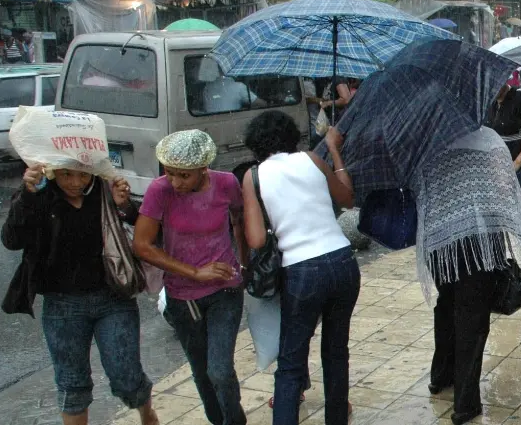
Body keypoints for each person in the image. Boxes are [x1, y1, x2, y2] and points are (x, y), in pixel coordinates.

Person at [1, 164, 157, 425]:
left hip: (113, 299)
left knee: (127, 376)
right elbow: (11, 240)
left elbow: (143, 228)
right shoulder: (39, 194)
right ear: (53, 172)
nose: (75, 182)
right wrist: (28, 194)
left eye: (83, 175)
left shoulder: (105, 191)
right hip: (62, 305)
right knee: (72, 383)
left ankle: (147, 414)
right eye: (67, 175)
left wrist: (125, 206)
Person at [416, 126, 521, 425]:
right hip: (479, 243)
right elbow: (506, 192)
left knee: (447, 302)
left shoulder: (429, 139)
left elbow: (420, 188)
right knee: (472, 319)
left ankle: (440, 376)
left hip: (439, 241)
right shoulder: (490, 140)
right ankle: (465, 404)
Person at [241, 112, 359, 425]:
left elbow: (254, 240)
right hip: (343, 262)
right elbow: (347, 199)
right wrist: (333, 148)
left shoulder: (254, 177)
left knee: (291, 363)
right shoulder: (311, 159)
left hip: (302, 271)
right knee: (336, 351)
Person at [133, 129, 248, 425]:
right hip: (182, 297)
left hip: (226, 290)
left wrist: (244, 263)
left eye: (184, 176)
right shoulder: (160, 191)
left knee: (219, 370)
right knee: (200, 370)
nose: (175, 182)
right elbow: (142, 245)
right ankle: (218, 420)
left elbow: (239, 218)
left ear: (202, 168)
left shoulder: (226, 183)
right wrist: (195, 272)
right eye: (170, 174)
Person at [484, 80, 521, 192]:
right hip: (496, 164)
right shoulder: (489, 101)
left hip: (516, 163)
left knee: (514, 199)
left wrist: (518, 162)